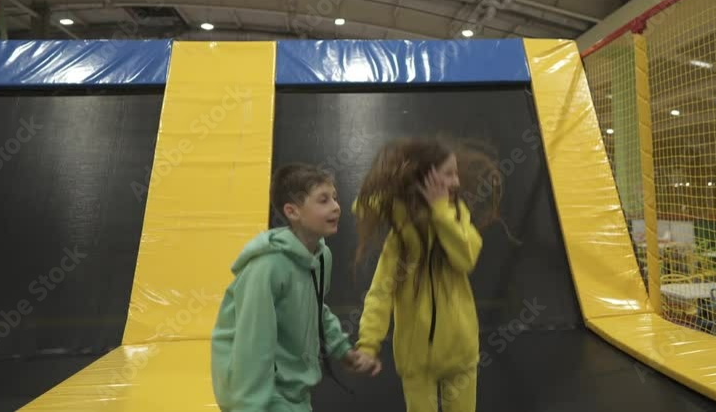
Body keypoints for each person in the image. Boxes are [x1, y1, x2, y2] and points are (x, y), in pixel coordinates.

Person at [211, 163, 382, 412]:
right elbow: (252, 342)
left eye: (334, 198)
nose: (336, 206)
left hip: (294, 389)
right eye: (323, 200)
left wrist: (342, 349)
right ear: (292, 211)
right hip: (255, 392)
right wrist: (249, 405)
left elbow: (316, 308)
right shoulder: (267, 268)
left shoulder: (321, 256)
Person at [352, 137, 502, 412]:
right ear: (425, 179)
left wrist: (440, 213)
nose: (456, 181)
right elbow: (380, 294)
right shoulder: (401, 240)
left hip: (460, 354)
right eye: (448, 174)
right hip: (416, 361)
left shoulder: (457, 216)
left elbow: (466, 258)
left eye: (456, 173)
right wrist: (368, 344)